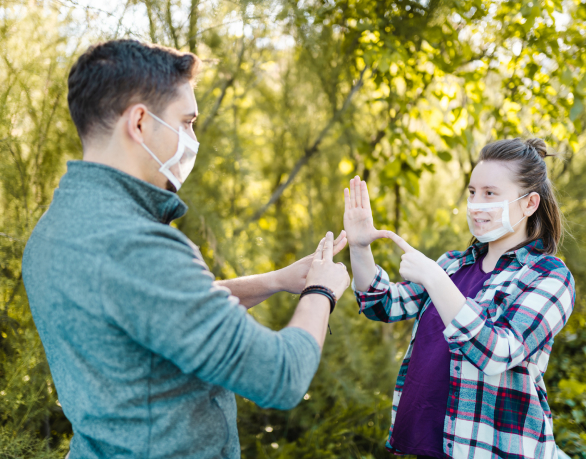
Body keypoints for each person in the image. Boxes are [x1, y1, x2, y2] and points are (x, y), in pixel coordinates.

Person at [22, 39, 350, 459]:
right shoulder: (136, 246)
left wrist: (275, 281)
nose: (192, 138)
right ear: (139, 122)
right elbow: (280, 375)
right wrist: (319, 293)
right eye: (187, 122)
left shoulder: (57, 226)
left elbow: (155, 309)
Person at [344, 138, 574, 459]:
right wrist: (359, 247)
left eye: (490, 193)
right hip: (420, 443)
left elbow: (497, 353)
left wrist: (434, 278)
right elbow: (382, 303)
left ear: (529, 204)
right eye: (472, 192)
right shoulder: (453, 264)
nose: (476, 204)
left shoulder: (548, 276)